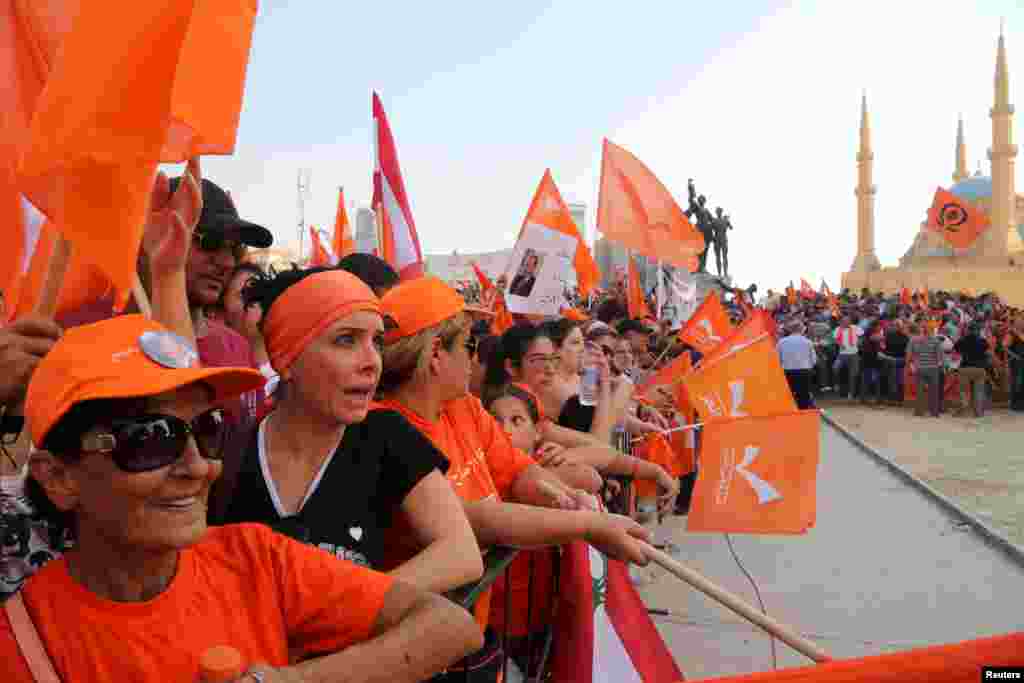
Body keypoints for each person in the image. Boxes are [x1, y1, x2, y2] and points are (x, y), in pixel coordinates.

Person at [2, 314, 482, 682]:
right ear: (59, 477)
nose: (199, 467)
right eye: (151, 439)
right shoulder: (23, 639)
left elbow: (450, 626)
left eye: (208, 430)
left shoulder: (254, 558)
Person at [373, 277, 651, 661]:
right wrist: (588, 524)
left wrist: (554, 493)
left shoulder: (464, 408)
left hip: (469, 627)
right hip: (412, 645)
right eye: (469, 344)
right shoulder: (384, 429)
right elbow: (472, 520)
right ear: (435, 354)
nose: (475, 358)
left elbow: (517, 470)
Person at [213, 267, 483, 595]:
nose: (372, 362)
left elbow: (461, 553)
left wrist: (350, 604)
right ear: (287, 359)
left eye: (377, 341)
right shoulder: (225, 454)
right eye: (346, 340)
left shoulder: (385, 435)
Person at [776, 321, 817, 409]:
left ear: (790, 330)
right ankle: (803, 412)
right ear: (801, 329)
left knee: (789, 394)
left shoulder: (781, 342)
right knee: (803, 395)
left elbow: (777, 359)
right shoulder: (808, 342)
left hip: (788, 371)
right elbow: (813, 360)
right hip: (804, 371)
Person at [908, 323, 944, 417]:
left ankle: (919, 412)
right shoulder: (936, 341)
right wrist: (940, 367)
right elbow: (939, 357)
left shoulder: (913, 340)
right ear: (931, 330)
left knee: (919, 391)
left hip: (919, 367)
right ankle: (934, 412)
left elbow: (909, 355)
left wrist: (910, 366)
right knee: (934, 391)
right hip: (933, 368)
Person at [953, 324, 990, 417]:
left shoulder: (962, 340)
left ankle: (964, 404)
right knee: (979, 392)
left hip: (965, 367)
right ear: (978, 331)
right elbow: (987, 351)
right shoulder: (983, 341)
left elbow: (956, 349)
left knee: (963, 391)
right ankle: (978, 412)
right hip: (980, 368)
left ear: (968, 330)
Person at [833, 316, 863, 399]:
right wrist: (839, 344)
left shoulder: (855, 328)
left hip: (854, 353)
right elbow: (835, 339)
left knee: (853, 374)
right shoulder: (837, 329)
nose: (846, 322)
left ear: (850, 321)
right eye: (844, 321)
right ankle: (836, 384)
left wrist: (859, 342)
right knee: (835, 368)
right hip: (842, 354)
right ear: (841, 321)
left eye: (847, 321)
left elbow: (861, 336)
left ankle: (851, 393)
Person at [881, 319, 910, 403]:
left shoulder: (903, 336)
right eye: (895, 325)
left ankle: (894, 397)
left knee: (895, 378)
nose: (896, 327)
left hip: (897, 359)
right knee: (896, 378)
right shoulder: (903, 336)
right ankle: (896, 398)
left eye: (897, 326)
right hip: (895, 359)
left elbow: (885, 348)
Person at [859, 322, 884, 405]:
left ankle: (876, 398)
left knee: (874, 379)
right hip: (868, 359)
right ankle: (866, 398)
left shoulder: (872, 333)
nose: (880, 328)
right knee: (868, 379)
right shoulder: (869, 333)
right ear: (875, 327)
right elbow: (876, 338)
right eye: (879, 326)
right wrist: (882, 337)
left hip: (873, 359)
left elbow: (880, 342)